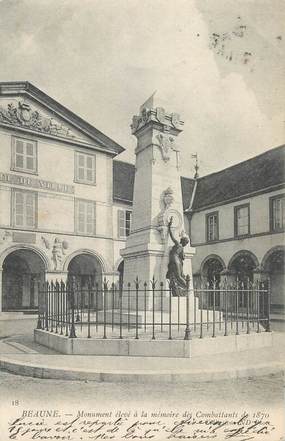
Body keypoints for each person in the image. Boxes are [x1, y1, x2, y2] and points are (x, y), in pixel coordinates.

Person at [166, 216, 189, 296]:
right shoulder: (181, 248)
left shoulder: (178, 244)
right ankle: (186, 286)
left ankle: (186, 286)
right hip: (177, 261)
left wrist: (169, 227)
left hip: (173, 260)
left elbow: (172, 236)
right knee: (178, 275)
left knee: (178, 276)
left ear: (181, 240)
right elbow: (183, 258)